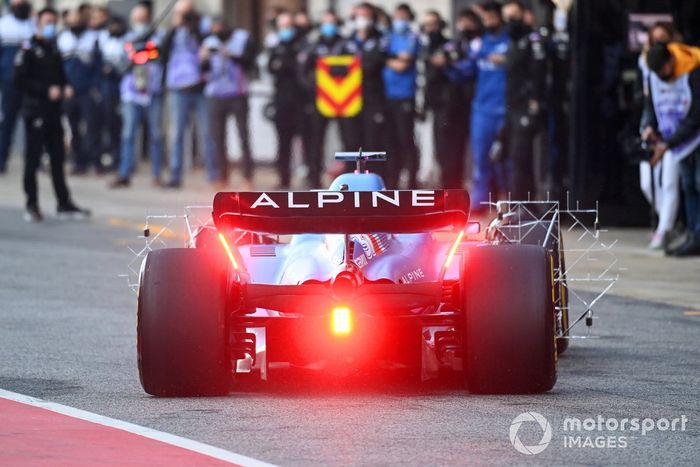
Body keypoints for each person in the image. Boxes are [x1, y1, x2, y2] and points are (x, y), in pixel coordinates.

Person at [14, 7, 90, 222]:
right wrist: (45, 90)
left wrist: (66, 87)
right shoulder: (28, 48)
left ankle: (64, 203)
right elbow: (20, 80)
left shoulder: (54, 48)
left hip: (54, 112)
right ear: (37, 23)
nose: (50, 26)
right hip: (35, 111)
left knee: (58, 160)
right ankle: (32, 205)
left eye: (53, 22)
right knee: (32, 160)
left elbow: (61, 75)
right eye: (47, 22)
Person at [644, 42, 700, 257]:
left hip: (690, 135)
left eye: (664, 71)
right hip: (679, 140)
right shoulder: (656, 76)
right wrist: (650, 126)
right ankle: (694, 234)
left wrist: (668, 143)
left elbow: (696, 114)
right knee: (688, 185)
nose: (662, 76)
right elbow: (652, 104)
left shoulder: (692, 69)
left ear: (671, 61)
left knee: (697, 183)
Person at [455, 2, 510, 211]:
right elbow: (468, 69)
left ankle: (507, 201)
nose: (488, 23)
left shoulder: (509, 41)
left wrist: (505, 60)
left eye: (491, 18)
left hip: (504, 109)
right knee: (482, 158)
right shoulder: (481, 42)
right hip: (482, 110)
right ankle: (482, 201)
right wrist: (453, 63)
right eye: (485, 19)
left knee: (504, 160)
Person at [298, 10, 358, 187]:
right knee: (316, 141)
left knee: (349, 141)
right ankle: (314, 180)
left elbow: (355, 68)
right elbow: (302, 72)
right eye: (325, 23)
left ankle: (350, 180)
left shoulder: (347, 45)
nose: (328, 27)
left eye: (332, 22)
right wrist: (316, 87)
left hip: (345, 101)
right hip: (321, 101)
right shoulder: (313, 45)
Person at [161, 0, 216, 188]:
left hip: (199, 87)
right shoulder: (172, 32)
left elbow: (207, 48)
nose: (185, 17)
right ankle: (175, 175)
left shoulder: (201, 29)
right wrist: (175, 26)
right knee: (177, 134)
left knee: (207, 133)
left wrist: (194, 25)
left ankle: (213, 175)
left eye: (188, 13)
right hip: (178, 87)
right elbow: (163, 53)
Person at [110, 3, 165, 188]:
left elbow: (157, 55)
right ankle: (124, 173)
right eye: (137, 19)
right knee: (128, 134)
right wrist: (138, 50)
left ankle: (156, 175)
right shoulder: (126, 38)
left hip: (153, 91)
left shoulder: (157, 37)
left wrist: (144, 50)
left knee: (156, 135)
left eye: (143, 18)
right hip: (131, 94)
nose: (140, 22)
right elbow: (122, 62)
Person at [423, 9, 480, 189]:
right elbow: (429, 78)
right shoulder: (430, 48)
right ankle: (447, 186)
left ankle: (454, 187)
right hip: (438, 105)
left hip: (455, 105)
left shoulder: (456, 46)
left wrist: (446, 63)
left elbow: (463, 71)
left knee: (455, 149)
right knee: (441, 149)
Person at [637, 22, 681, 249]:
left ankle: (665, 229)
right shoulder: (647, 67)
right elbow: (648, 101)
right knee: (648, 182)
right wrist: (648, 125)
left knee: (670, 181)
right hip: (655, 125)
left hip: (677, 131)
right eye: (656, 40)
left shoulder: (683, 66)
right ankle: (669, 222)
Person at [200, 17, 256, 189]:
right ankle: (222, 176)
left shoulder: (242, 38)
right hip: (215, 94)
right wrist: (204, 59)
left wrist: (229, 54)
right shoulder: (208, 42)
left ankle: (247, 176)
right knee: (218, 137)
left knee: (243, 136)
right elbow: (203, 70)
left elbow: (249, 62)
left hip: (237, 93)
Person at [501, 0, 546, 200]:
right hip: (511, 105)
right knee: (511, 155)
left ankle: (524, 203)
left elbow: (539, 72)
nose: (511, 22)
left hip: (526, 105)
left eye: (514, 17)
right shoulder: (511, 40)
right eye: (507, 18)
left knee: (522, 156)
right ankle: (519, 202)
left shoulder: (533, 39)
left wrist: (535, 99)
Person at [58, 7, 102, 174]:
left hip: (87, 91)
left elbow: (98, 65)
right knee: (73, 128)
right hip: (69, 91)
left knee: (92, 128)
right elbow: (58, 66)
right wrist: (64, 85)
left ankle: (95, 161)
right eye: (73, 19)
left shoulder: (93, 38)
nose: (76, 22)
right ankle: (79, 162)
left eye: (79, 19)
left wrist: (94, 87)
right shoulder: (62, 38)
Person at [348, 3, 389, 182]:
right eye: (359, 16)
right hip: (349, 100)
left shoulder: (381, 39)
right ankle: (350, 183)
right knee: (351, 143)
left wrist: (356, 64)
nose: (362, 20)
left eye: (366, 16)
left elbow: (375, 62)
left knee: (373, 142)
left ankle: (375, 182)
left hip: (374, 98)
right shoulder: (348, 40)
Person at [383, 3, 421, 188]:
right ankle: (393, 182)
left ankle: (412, 181)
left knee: (406, 139)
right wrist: (391, 58)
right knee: (390, 142)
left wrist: (385, 59)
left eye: (403, 16)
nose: (399, 20)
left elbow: (403, 63)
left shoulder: (412, 37)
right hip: (387, 96)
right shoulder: (388, 36)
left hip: (405, 95)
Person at [267, 11, 304, 189]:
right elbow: (272, 68)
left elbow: (296, 69)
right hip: (282, 101)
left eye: (289, 26)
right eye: (282, 27)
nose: (286, 30)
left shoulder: (302, 46)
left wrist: (284, 65)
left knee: (307, 142)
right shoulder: (276, 47)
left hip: (302, 102)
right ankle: (284, 178)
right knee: (283, 142)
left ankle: (309, 177)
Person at [0, 0, 34, 173]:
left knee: (32, 123)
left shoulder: (33, 25)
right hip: (9, 82)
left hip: (30, 85)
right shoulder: (3, 25)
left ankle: (32, 161)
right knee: (7, 123)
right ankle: (2, 159)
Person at [98, 15, 128, 171]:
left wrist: (116, 70)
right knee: (106, 124)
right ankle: (107, 156)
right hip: (106, 89)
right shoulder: (104, 41)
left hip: (123, 88)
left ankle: (118, 157)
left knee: (119, 126)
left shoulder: (127, 42)